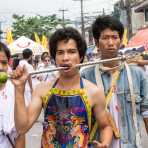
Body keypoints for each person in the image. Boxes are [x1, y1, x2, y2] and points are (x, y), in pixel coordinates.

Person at [12, 27, 113, 147]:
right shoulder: (42, 89)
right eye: (60, 52)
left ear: (80, 56)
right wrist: (19, 89)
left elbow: (105, 126)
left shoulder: (94, 91)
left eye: (71, 52)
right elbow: (22, 128)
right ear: (54, 58)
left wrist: (105, 143)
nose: (65, 58)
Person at [81, 15, 148, 148]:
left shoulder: (137, 74)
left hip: (132, 144)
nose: (110, 43)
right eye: (105, 38)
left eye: (115, 37)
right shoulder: (86, 76)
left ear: (121, 40)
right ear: (96, 41)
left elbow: (146, 111)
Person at [0, 42, 25, 148]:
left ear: (9, 63)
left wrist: (19, 90)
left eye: (4, 62)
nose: (0, 67)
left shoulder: (14, 91)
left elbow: (20, 133)